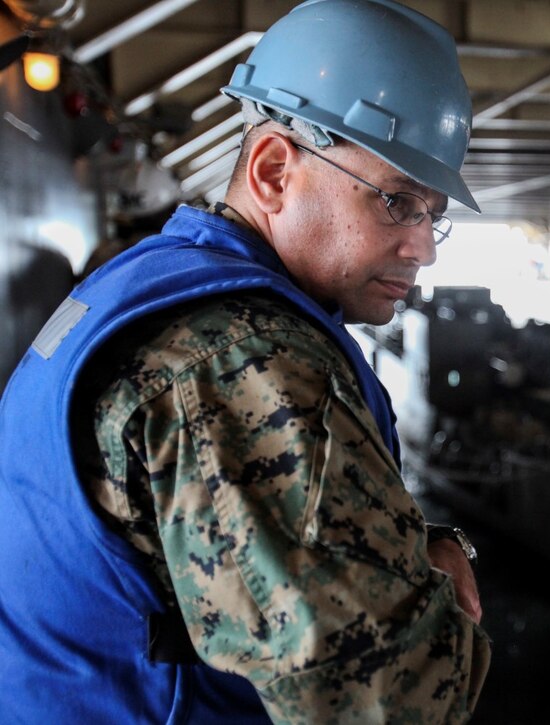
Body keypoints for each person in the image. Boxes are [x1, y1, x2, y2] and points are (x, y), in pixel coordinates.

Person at [0, 2, 489, 723]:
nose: (425, 247)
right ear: (272, 171)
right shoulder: (239, 363)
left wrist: (412, 547)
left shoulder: (148, 280)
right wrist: (442, 593)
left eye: (432, 212)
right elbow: (397, 697)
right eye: (397, 202)